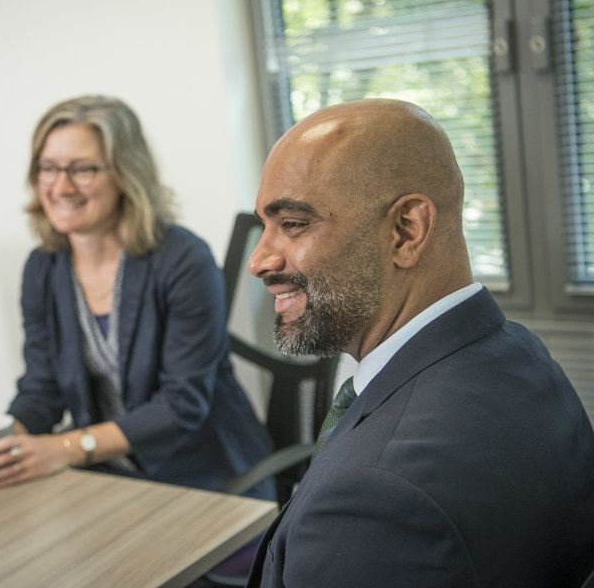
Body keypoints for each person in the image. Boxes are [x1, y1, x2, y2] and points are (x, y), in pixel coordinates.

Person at [245, 98, 594, 587]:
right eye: (265, 225)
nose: (258, 260)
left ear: (407, 230)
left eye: (294, 224)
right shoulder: (520, 354)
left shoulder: (372, 503)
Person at [0, 95, 273, 501]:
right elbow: (41, 390)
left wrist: (63, 449)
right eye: (48, 168)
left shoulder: (183, 259)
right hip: (107, 476)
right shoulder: (43, 268)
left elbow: (181, 405)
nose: (60, 187)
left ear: (125, 173)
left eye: (81, 170)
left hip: (206, 479)